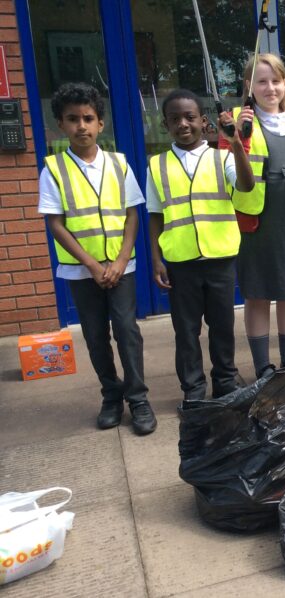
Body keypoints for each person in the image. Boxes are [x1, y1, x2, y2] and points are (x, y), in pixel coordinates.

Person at [38, 83, 156, 435]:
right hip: (81, 270)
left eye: (88, 118)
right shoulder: (54, 169)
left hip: (122, 267)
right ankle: (111, 396)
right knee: (94, 335)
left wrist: (120, 260)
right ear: (61, 124)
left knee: (127, 331)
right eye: (72, 119)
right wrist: (91, 264)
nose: (81, 126)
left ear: (100, 124)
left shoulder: (118, 165)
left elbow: (133, 214)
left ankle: (138, 398)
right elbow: (55, 223)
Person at [146, 89, 254, 401]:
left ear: (203, 121)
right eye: (175, 118)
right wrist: (156, 259)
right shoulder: (157, 165)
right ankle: (193, 389)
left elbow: (246, 185)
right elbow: (155, 215)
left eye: (190, 117)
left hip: (219, 258)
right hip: (180, 262)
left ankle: (225, 382)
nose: (183, 123)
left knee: (222, 327)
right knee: (186, 331)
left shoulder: (222, 158)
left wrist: (235, 143)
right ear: (165, 125)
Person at [220, 53, 285, 376]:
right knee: (259, 293)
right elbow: (228, 171)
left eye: (276, 80)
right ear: (249, 86)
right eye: (261, 82)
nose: (270, 88)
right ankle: (262, 364)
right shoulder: (236, 120)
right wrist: (237, 138)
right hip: (258, 221)